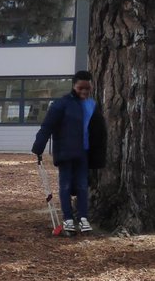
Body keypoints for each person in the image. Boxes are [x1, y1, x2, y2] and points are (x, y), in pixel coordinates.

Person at [31, 70, 108, 234]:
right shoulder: (62, 104)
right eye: (81, 88)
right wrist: (38, 146)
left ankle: (83, 218)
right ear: (74, 86)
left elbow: (97, 130)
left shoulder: (92, 105)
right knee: (65, 186)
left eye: (87, 88)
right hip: (66, 153)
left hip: (84, 153)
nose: (84, 92)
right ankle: (67, 219)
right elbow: (47, 126)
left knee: (82, 186)